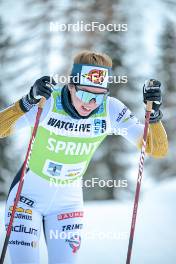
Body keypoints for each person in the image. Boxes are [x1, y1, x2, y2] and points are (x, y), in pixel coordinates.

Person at [0, 50, 168, 263]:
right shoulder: (49, 102)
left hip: (68, 203)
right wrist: (27, 102)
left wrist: (153, 117)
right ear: (71, 86)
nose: (90, 103)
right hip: (27, 198)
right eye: (86, 94)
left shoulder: (110, 110)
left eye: (99, 96)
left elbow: (156, 149)